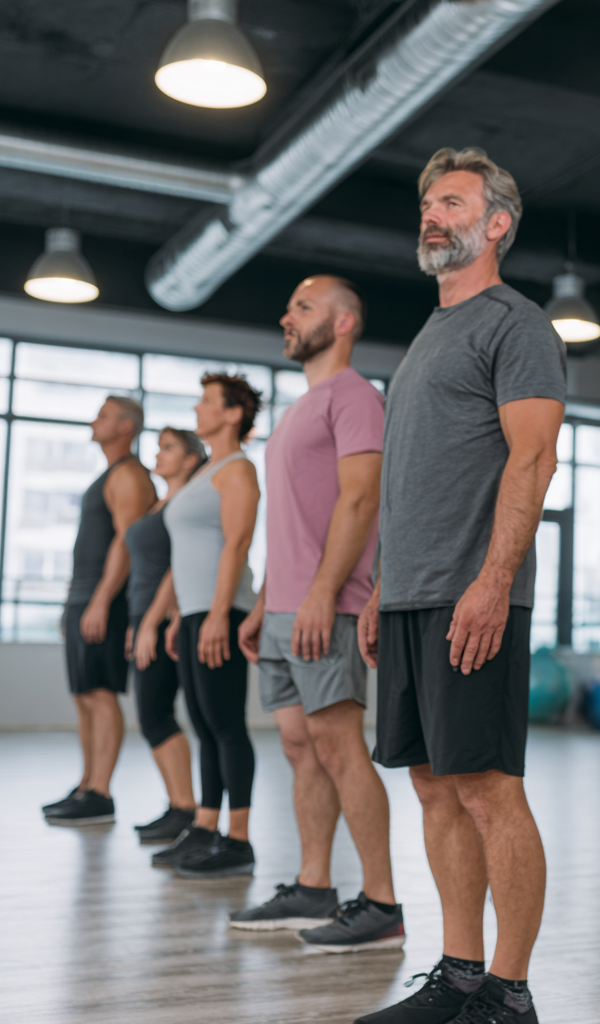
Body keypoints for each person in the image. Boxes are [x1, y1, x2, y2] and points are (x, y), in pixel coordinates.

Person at [355, 148, 566, 1024]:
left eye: (451, 202)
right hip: (410, 595)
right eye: (426, 204)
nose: (431, 216)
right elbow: (414, 479)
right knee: (433, 786)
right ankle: (460, 973)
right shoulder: (430, 332)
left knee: (486, 786)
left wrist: (493, 582)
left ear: (497, 225)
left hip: (471, 597)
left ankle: (509, 993)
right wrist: (380, 588)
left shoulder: (515, 325)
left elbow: (535, 455)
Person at [231, 275, 400, 946]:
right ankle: (311, 886)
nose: (287, 316)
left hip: (325, 607)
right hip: (284, 608)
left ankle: (382, 903)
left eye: (303, 307)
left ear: (344, 322)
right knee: (301, 748)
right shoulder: (299, 409)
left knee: (337, 745)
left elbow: (360, 501)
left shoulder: (356, 398)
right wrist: (267, 598)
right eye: (290, 305)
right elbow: (294, 518)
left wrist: (324, 595)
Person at [155, 374, 262, 878]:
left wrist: (220, 613)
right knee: (201, 723)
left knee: (225, 725)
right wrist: (181, 614)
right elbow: (187, 554)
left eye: (206, 402)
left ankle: (237, 839)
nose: (198, 410)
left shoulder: (238, 469)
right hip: (196, 611)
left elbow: (237, 545)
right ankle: (205, 825)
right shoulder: (205, 471)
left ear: (233, 413)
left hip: (224, 609)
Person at [43, 396, 156, 826]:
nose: (95, 421)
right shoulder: (109, 474)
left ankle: (102, 792)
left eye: (104, 415)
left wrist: (101, 601)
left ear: (127, 426)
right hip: (85, 597)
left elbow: (125, 542)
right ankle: (87, 783)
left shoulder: (129, 475)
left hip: (103, 600)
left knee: (101, 694)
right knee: (84, 695)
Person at [125, 428, 208, 843]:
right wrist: (134, 623)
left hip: (165, 617)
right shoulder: (161, 504)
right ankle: (178, 804)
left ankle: (185, 807)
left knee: (157, 712)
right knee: (151, 714)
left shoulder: (185, 505)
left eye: (169, 448)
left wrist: (153, 622)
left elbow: (180, 566)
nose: (158, 454)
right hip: (143, 616)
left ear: (191, 459)